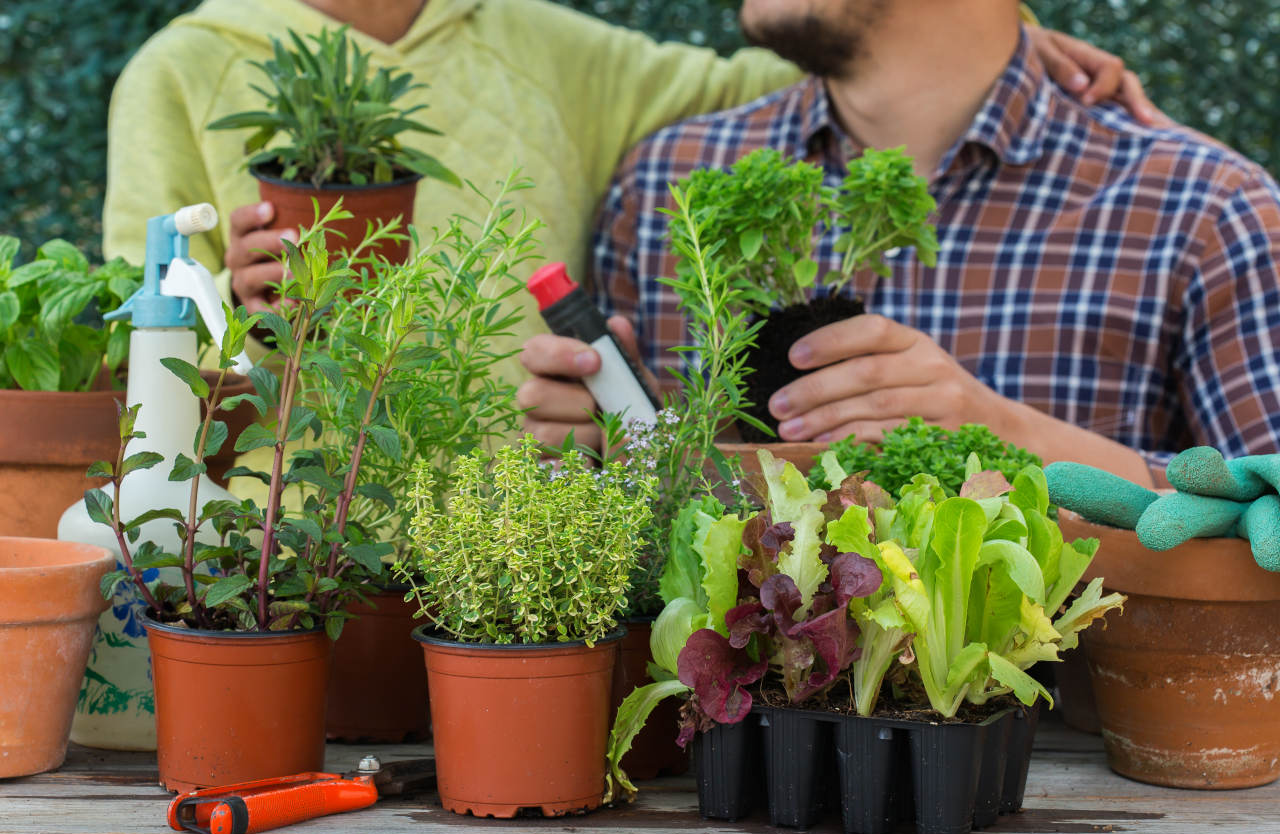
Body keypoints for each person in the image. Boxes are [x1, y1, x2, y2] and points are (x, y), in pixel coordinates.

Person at [104, 0, 1150, 394]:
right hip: (287, 553)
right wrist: (231, 317)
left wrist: (1006, 40)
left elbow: (800, 74)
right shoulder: (182, 69)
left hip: (524, 549)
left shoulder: (539, 45)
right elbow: (128, 372)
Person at [518, 0, 1280, 486]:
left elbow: (1265, 514)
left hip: (1058, 740)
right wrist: (593, 456)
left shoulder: (1202, 209)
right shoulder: (665, 189)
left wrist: (1010, 438)